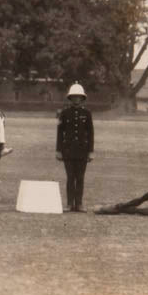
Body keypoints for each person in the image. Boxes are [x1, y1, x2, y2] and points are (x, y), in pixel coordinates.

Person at [56, 82, 94, 212]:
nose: (76, 99)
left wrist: (90, 151)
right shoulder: (64, 113)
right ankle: (69, 204)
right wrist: (59, 150)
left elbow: (91, 133)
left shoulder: (87, 113)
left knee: (80, 178)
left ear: (82, 98)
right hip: (68, 151)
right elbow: (60, 133)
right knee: (70, 177)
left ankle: (79, 204)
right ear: (70, 98)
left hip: (82, 151)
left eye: (79, 97)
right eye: (74, 96)